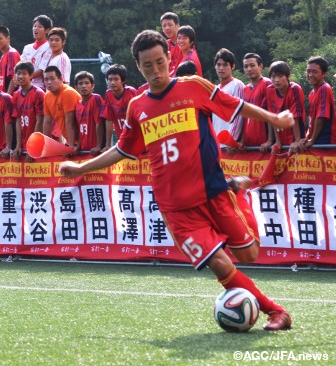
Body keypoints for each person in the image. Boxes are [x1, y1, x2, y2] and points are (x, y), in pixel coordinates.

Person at [59, 29, 293, 331]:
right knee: (220, 263)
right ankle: (277, 312)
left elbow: (237, 107)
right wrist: (80, 169)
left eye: (160, 62)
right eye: (147, 66)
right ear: (138, 67)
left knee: (249, 252)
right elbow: (122, 150)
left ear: (170, 58)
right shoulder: (138, 107)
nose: (156, 71)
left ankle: (240, 194)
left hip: (214, 191)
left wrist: (275, 120)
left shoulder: (194, 87)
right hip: (176, 208)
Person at [263, 61, 305, 153]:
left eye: (280, 76)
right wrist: (277, 141)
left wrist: (297, 140)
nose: (277, 80)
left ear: (288, 76)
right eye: (273, 77)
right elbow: (272, 117)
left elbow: (295, 117)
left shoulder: (294, 89)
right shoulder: (269, 90)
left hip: (296, 135)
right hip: (281, 136)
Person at [211, 48, 244, 153]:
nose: (221, 68)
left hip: (230, 147)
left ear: (232, 66)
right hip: (218, 146)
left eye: (225, 65)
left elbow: (239, 115)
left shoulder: (237, 85)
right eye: (218, 64)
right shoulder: (215, 89)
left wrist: (232, 141)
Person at [42, 66, 81, 153]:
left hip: (80, 143)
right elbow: (47, 122)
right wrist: (46, 145)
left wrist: (71, 146)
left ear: (60, 79)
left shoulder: (68, 93)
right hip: (69, 142)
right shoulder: (47, 96)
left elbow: (70, 121)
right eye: (46, 79)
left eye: (52, 79)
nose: (49, 82)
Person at [12, 61, 45, 161]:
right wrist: (18, 145)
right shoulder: (16, 95)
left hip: (37, 142)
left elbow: (40, 121)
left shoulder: (38, 93)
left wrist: (33, 147)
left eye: (24, 73)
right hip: (24, 141)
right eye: (18, 73)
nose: (21, 76)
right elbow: (18, 120)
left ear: (31, 75)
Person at [301, 56, 335, 149]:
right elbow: (312, 119)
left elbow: (321, 117)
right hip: (317, 139)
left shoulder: (324, 88)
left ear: (324, 74)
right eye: (308, 71)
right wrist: (307, 136)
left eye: (314, 72)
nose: (310, 75)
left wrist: (312, 140)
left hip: (325, 140)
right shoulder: (312, 93)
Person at [240, 53, 272, 152]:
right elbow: (243, 118)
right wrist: (241, 141)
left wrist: (270, 140)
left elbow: (271, 112)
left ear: (260, 66)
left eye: (252, 65)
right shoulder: (244, 89)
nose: (249, 69)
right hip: (248, 145)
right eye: (246, 66)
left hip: (264, 144)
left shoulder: (267, 84)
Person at [102, 64, 136, 149]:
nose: (112, 82)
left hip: (135, 140)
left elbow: (138, 118)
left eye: (116, 79)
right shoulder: (108, 94)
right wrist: (108, 145)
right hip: (122, 139)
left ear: (123, 81)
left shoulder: (131, 92)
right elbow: (109, 119)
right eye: (110, 79)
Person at [74, 71, 105, 155]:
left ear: (92, 86)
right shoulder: (77, 105)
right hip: (85, 150)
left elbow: (99, 123)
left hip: (96, 150)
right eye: (80, 83)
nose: (83, 86)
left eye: (87, 83)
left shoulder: (96, 98)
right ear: (76, 87)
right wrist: (79, 145)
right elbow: (81, 127)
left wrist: (98, 146)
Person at [21, 15, 53, 89]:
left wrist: (26, 78)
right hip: (24, 85)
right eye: (34, 26)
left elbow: (42, 70)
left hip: (39, 86)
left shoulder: (49, 47)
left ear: (47, 30)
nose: (36, 29)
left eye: (40, 27)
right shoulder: (27, 48)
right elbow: (21, 66)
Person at [0, 25, 21, 95]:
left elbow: (13, 77)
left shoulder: (12, 53)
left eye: (0, 38)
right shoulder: (3, 56)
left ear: (8, 38)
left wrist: (8, 96)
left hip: (11, 97)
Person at [160, 12, 181, 77]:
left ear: (177, 26)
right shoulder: (164, 45)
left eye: (170, 25)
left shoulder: (184, 44)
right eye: (164, 26)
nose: (167, 28)